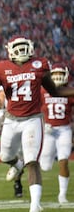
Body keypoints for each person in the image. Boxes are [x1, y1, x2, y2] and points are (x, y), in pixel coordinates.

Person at [0, 36, 74, 212]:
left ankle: (35, 206)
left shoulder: (40, 65)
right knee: (5, 156)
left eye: (24, 47)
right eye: (18, 48)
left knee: (33, 162)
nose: (22, 51)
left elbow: (54, 90)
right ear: (10, 50)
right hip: (11, 120)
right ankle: (16, 164)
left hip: (33, 120)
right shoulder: (1, 68)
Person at [38, 64, 72, 204]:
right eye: (55, 74)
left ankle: (62, 195)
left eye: (60, 73)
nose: (57, 76)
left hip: (64, 130)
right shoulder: (42, 91)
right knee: (44, 166)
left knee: (63, 160)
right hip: (48, 131)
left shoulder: (69, 91)